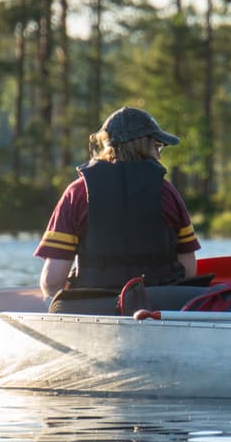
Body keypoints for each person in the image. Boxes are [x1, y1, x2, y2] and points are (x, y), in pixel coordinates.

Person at [34, 106, 201, 308]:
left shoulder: (77, 192)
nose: (159, 154)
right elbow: (188, 270)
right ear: (146, 146)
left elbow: (53, 280)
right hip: (159, 304)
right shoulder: (166, 191)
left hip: (96, 306)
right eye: (158, 146)